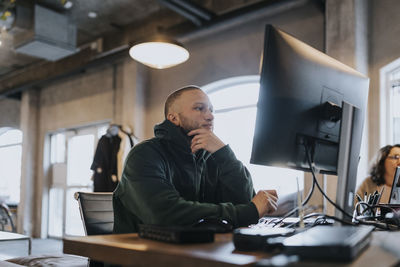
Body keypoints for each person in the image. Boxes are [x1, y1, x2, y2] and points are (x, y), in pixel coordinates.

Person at [113, 86, 278, 233]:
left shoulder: (212, 157)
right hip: (140, 257)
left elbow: (243, 201)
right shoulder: (144, 155)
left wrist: (224, 154)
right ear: (174, 118)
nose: (210, 116)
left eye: (211, 110)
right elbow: (165, 214)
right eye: (200, 108)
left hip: (193, 251)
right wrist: (249, 211)